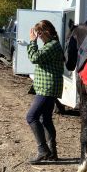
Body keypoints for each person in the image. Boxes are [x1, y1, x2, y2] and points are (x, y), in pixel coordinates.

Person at [26, 20, 64, 164]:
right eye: (37, 33)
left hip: (47, 88)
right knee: (45, 119)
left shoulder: (53, 46)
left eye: (40, 33)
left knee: (31, 116)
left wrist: (32, 42)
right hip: (47, 87)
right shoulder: (50, 45)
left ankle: (43, 150)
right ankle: (52, 153)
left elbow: (34, 58)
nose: (38, 36)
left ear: (47, 31)